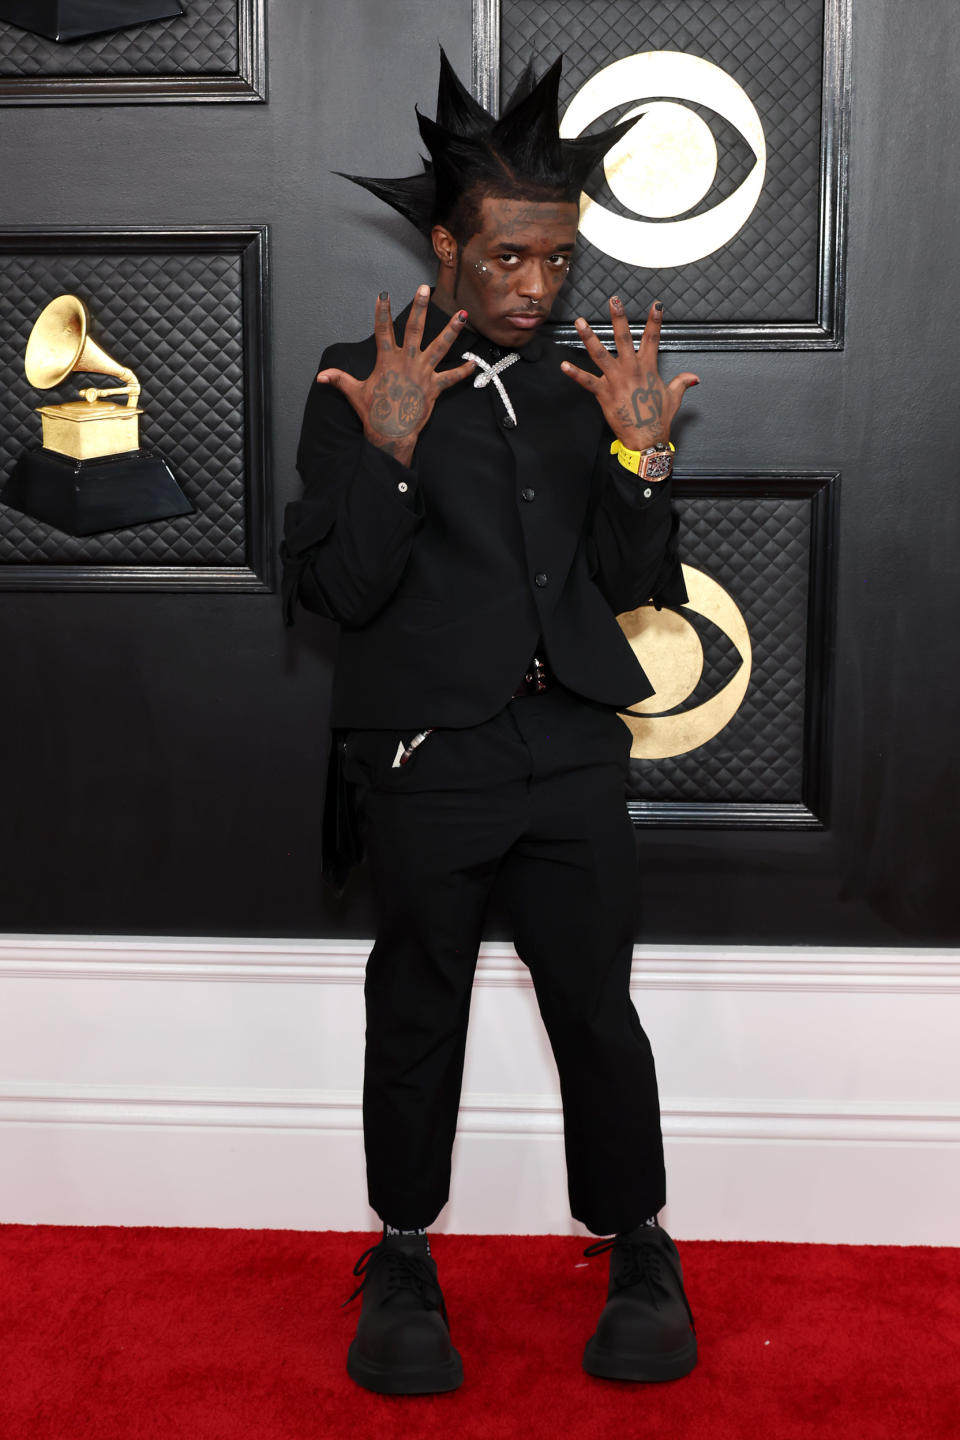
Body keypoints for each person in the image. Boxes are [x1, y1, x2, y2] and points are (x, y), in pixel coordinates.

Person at [281, 51, 701, 1396]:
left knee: (598, 1009)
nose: (536, 287)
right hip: (427, 761)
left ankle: (639, 1246)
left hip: (571, 749)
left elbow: (635, 587)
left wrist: (642, 458)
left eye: (559, 262)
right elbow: (336, 589)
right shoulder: (359, 382)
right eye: (510, 258)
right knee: (418, 1007)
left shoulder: (589, 391)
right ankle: (402, 1256)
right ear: (449, 245)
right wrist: (392, 453)